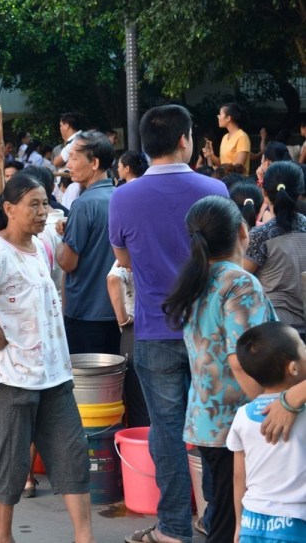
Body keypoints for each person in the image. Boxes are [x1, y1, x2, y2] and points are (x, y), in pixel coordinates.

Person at [0, 174, 95, 543]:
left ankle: (84, 537)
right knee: (11, 464)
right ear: (9, 209)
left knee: (72, 456)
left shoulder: (40, 244)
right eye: (34, 204)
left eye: (45, 203)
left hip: (54, 375)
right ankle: (3, 537)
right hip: (11, 379)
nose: (42, 212)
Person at [110, 104, 228, 543]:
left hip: (155, 330)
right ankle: (216, 522)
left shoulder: (124, 196)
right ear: (185, 140)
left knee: (167, 431)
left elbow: (122, 259)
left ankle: (174, 528)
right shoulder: (214, 188)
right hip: (210, 330)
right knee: (213, 428)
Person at [162, 195, 275, 543]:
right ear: (243, 230)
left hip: (207, 423)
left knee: (223, 515)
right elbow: (243, 361)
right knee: (231, 524)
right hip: (238, 425)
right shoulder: (239, 283)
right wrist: (278, 408)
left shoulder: (198, 279)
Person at [228, 322, 306, 543]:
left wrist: (238, 523)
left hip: (253, 522)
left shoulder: (242, 415)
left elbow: (239, 475)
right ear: (293, 368)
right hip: (296, 523)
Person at [57, 131, 120, 355]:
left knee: (89, 386)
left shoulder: (83, 204)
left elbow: (68, 263)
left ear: (94, 163)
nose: (68, 163)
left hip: (86, 312)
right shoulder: (120, 197)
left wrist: (60, 239)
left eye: (74, 157)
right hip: (119, 310)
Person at [243, 161, 306, 327]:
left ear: (264, 192)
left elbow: (240, 281)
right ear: (300, 193)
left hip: (274, 330)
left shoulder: (260, 235)